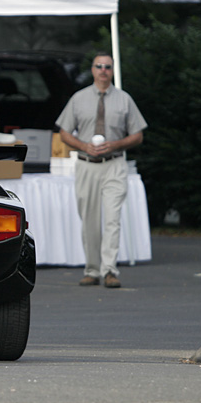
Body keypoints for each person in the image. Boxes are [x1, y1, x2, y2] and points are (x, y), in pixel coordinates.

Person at [55, 52, 146, 288]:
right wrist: (83, 145)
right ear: (93, 70)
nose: (103, 70)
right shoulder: (79, 98)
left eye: (108, 66)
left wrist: (116, 144)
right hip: (86, 164)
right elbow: (64, 132)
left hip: (114, 164)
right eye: (99, 66)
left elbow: (138, 135)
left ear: (113, 70)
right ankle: (92, 269)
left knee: (112, 219)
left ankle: (110, 271)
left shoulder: (124, 99)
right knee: (89, 220)